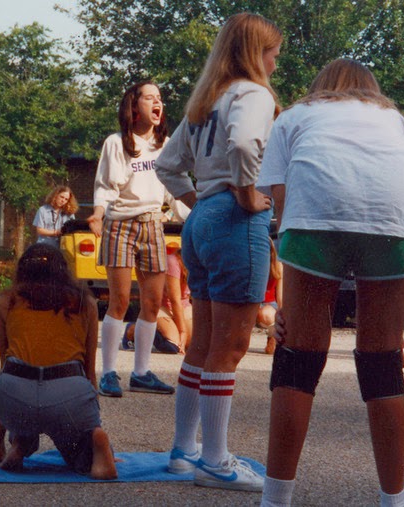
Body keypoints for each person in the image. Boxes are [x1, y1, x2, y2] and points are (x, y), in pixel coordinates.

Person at [256, 59, 404, 507]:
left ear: (319, 86)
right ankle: (393, 500)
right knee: (383, 359)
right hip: (394, 225)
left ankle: (276, 499)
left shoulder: (296, 116)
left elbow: (283, 204)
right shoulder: (395, 120)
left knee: (298, 357)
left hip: (314, 222)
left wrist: (289, 306)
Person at [155, 12, 282, 492]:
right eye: (272, 52)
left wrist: (199, 202)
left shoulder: (204, 101)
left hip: (203, 219)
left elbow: (168, 167)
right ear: (254, 52)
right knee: (229, 349)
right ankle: (215, 461)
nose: (274, 62)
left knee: (204, 345)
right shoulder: (252, 94)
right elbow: (247, 141)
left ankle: (184, 452)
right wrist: (247, 194)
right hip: (235, 221)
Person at [0, 243, 117, 479]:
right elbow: (90, 373)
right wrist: (93, 425)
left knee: (23, 409)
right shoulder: (84, 302)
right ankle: (95, 446)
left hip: (15, 392)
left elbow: (5, 366)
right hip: (68, 392)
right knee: (76, 450)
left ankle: (18, 444)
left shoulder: (6, 301)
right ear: (63, 270)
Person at [86, 81, 175, 397]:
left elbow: (173, 189)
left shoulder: (165, 145)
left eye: (160, 98)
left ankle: (141, 373)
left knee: (152, 303)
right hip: (120, 225)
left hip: (153, 226)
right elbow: (106, 186)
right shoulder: (115, 143)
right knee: (120, 301)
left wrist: (196, 215)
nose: (158, 102)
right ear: (134, 105)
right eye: (150, 97)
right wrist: (98, 214)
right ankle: (108, 373)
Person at [257, 239, 281, 355]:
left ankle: (272, 336)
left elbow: (281, 298)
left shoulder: (278, 267)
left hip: (268, 305)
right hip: (250, 303)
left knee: (267, 314)